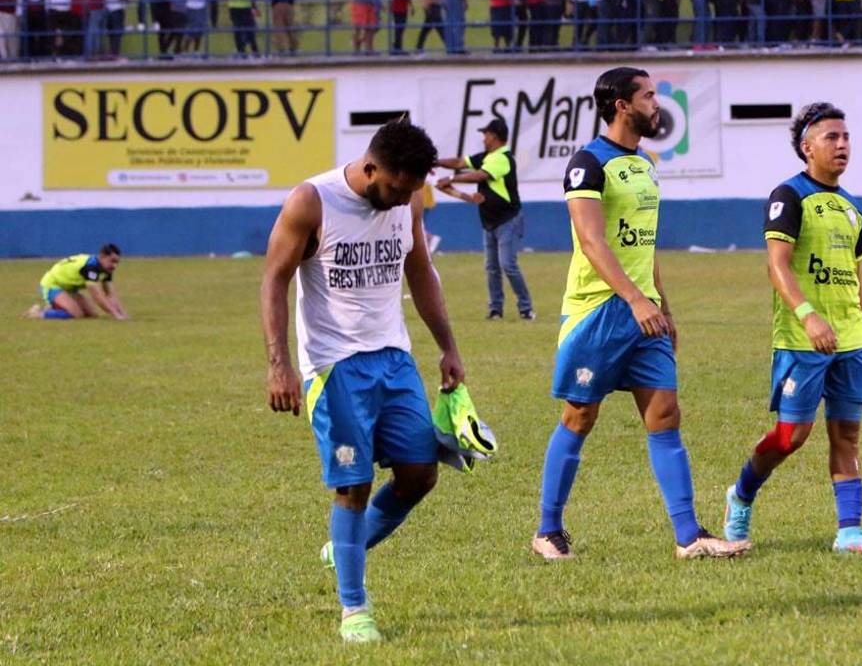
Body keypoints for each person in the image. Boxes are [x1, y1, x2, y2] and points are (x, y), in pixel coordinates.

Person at [530, 66, 750, 562]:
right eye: (649, 95)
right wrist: (633, 299)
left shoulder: (646, 164)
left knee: (665, 414)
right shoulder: (588, 163)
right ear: (622, 105)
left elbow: (644, 244)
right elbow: (591, 241)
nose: (657, 103)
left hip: (643, 309)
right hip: (599, 310)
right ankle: (547, 530)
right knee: (579, 415)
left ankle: (689, 536)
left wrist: (661, 306)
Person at [260, 119, 466, 644]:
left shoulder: (410, 202)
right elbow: (274, 280)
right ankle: (354, 609)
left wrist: (448, 346)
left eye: (412, 191)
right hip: (334, 365)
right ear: (371, 168)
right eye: (396, 188)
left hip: (394, 358)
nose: (402, 201)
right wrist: (278, 364)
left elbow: (420, 270)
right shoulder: (312, 201)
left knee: (421, 474)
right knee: (352, 484)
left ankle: (345, 546)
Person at [722, 102, 862, 553]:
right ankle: (741, 495)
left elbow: (856, 276)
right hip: (803, 339)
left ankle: (850, 531)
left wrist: (861, 323)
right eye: (831, 138)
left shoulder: (853, 208)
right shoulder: (789, 196)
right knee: (791, 436)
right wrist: (808, 316)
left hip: (850, 340)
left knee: (847, 434)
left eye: (846, 137)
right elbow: (776, 266)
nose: (842, 145)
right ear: (807, 147)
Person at [435, 119, 534, 319]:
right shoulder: (487, 157)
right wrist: (435, 162)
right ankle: (495, 310)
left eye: (486, 134)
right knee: (492, 267)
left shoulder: (502, 158)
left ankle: (526, 308)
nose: (483, 138)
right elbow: (459, 163)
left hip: (508, 219)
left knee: (507, 265)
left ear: (494, 136)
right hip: (489, 220)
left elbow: (480, 176)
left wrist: (452, 179)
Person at [25, 244, 128, 320]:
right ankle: (38, 313)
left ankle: (55, 307)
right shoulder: (90, 267)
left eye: (117, 262)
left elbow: (110, 294)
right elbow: (97, 297)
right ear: (102, 256)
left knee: (91, 314)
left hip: (68, 288)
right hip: (52, 284)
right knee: (76, 314)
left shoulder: (107, 270)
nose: (114, 266)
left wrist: (123, 313)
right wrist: (116, 315)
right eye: (112, 261)